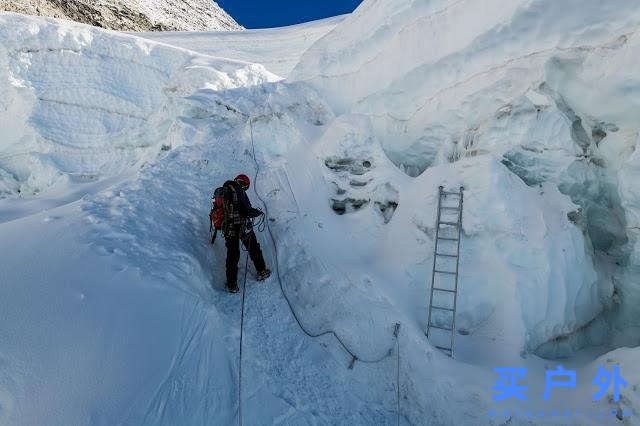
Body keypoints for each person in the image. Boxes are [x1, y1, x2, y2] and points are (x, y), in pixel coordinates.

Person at [221, 174, 270, 293]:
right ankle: (261, 271)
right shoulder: (238, 190)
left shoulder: (226, 190)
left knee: (232, 254)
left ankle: (232, 284)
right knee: (253, 247)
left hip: (229, 227)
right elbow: (246, 210)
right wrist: (257, 213)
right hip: (243, 226)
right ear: (244, 183)